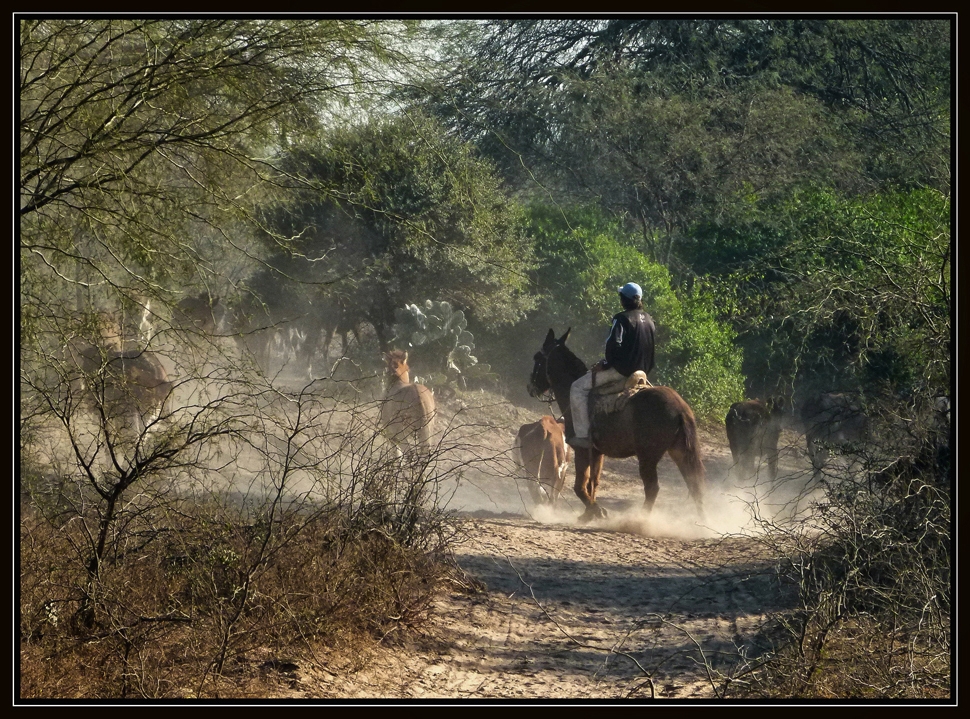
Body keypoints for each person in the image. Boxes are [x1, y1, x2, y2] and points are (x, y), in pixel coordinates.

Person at [566, 282, 656, 449]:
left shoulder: (621, 318)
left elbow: (613, 344)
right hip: (642, 373)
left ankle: (583, 436)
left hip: (620, 372)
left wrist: (606, 363)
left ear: (624, 300)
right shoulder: (650, 320)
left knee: (577, 388)